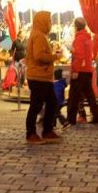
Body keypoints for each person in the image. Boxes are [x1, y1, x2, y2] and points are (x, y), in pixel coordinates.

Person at [24, 11, 63, 145]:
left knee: (51, 102)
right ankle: (31, 133)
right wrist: (55, 57)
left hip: (42, 76)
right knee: (37, 105)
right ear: (43, 22)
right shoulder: (39, 36)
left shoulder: (38, 34)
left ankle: (47, 130)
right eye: (49, 21)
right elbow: (39, 56)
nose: (51, 24)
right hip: (38, 76)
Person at [66, 17, 98, 125]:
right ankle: (97, 116)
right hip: (87, 69)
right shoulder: (88, 37)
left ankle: (71, 118)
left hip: (80, 70)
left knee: (73, 95)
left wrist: (75, 70)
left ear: (76, 26)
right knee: (90, 95)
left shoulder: (79, 38)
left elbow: (79, 55)